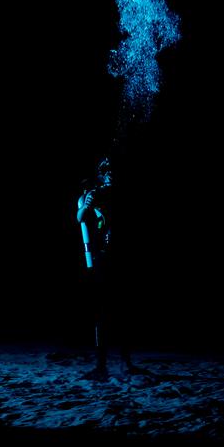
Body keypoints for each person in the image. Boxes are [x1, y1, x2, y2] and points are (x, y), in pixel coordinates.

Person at [77, 158, 144, 381]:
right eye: (108, 172)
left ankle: (125, 362)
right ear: (102, 175)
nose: (112, 175)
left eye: (114, 171)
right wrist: (87, 205)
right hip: (104, 257)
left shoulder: (122, 193)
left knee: (122, 310)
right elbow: (80, 217)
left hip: (122, 257)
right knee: (102, 312)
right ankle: (102, 365)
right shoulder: (98, 194)